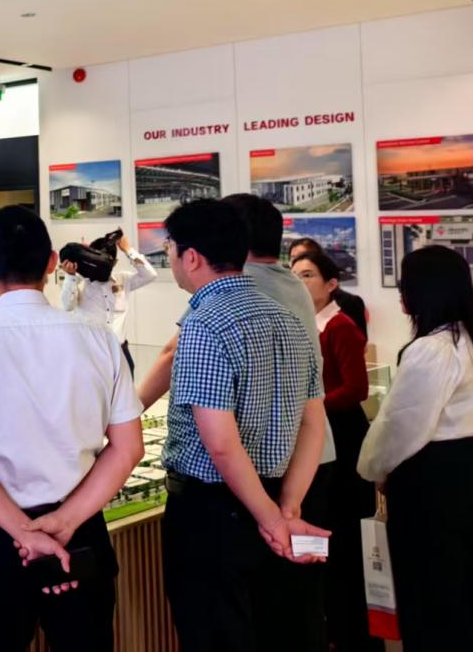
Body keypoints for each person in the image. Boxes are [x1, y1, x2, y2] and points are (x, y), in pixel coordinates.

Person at [0, 205, 143, 651]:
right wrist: (62, 523)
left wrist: (25, 532)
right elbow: (128, 449)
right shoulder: (100, 339)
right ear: (51, 262)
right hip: (80, 533)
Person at [159, 198, 330, 652]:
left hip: (211, 514)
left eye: (170, 248)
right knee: (272, 630)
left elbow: (221, 444)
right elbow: (313, 425)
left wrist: (271, 519)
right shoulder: (290, 319)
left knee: (215, 636)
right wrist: (286, 509)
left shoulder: (204, 323)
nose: (169, 258)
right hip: (273, 497)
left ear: (191, 257)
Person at [357, 245, 473, 650]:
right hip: (465, 473)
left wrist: (374, 469)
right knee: (461, 589)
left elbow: (402, 426)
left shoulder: (432, 349)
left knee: (430, 591)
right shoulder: (467, 340)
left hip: (433, 483)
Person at [292, 249, 379, 652]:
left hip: (341, 436)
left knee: (342, 537)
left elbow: (356, 389)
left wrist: (311, 405)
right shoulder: (301, 323)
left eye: (308, 275)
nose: (299, 282)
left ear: (330, 284)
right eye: (295, 274)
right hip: (317, 432)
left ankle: (351, 631)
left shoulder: (340, 326)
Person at [59, 228, 157, 374]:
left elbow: (150, 275)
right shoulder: (79, 283)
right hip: (91, 354)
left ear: (115, 262)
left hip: (121, 353)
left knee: (126, 389)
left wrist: (128, 250)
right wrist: (70, 276)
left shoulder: (123, 280)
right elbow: (67, 306)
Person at [290, 237, 368, 336]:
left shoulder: (347, 307)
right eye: (292, 258)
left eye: (306, 275)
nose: (298, 262)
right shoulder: (293, 308)